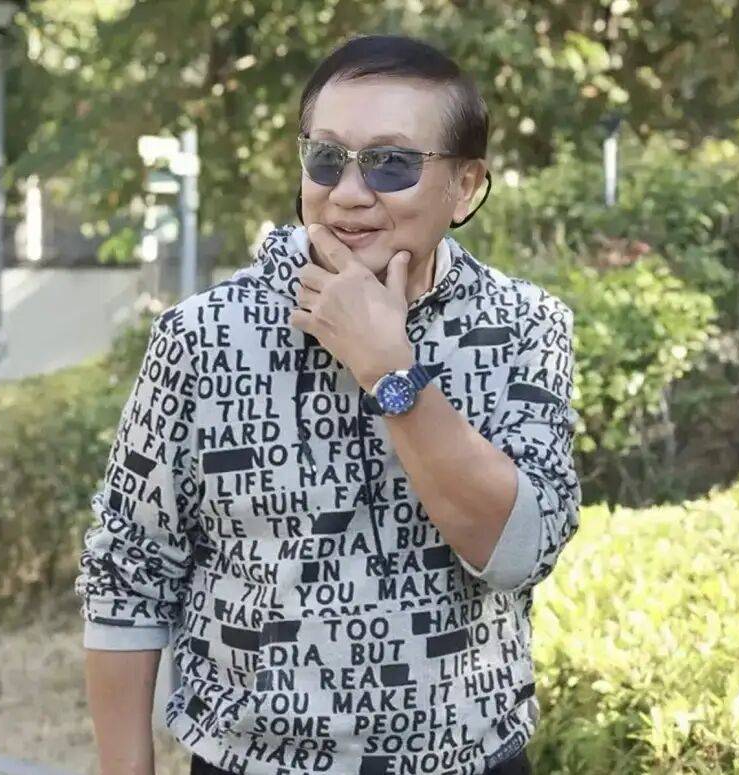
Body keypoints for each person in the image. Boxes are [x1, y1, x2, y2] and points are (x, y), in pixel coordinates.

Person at [77, 33, 582, 775]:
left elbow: (516, 552)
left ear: (466, 185)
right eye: (326, 158)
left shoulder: (524, 326)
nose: (348, 192)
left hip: (469, 760)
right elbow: (129, 572)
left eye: (392, 163)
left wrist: (390, 368)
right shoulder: (204, 336)